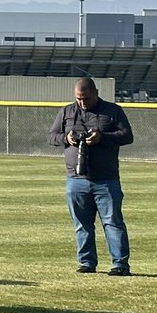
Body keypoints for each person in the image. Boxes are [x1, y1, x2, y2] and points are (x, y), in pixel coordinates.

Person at [47, 77, 134, 275]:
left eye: (86, 98)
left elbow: (127, 136)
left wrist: (102, 138)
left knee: (113, 223)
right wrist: (66, 138)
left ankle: (120, 265)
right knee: (82, 224)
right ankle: (87, 262)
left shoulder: (113, 110)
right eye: (78, 98)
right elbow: (51, 136)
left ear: (96, 93)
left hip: (106, 179)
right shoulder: (67, 111)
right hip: (76, 179)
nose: (82, 102)